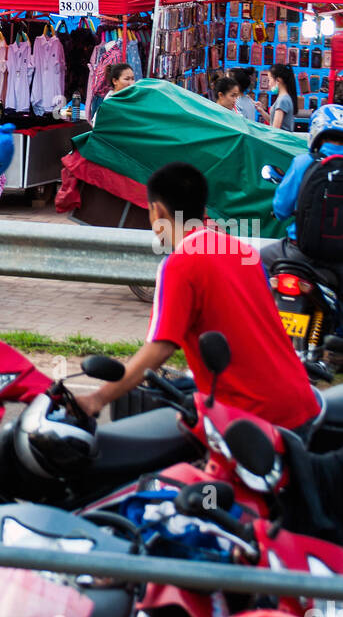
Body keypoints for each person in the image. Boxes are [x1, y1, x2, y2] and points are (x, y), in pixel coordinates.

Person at [74, 162, 320, 433]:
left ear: (157, 212)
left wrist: (98, 397)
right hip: (301, 402)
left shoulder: (180, 263)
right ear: (203, 209)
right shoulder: (242, 251)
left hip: (252, 421)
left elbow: (160, 349)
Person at [261, 103, 343, 273]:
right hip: (338, 260)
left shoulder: (303, 162)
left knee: (258, 260)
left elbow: (281, 209)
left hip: (299, 252)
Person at [269, 63, 299, 131]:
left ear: (278, 80)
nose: (269, 84)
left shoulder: (282, 100)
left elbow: (275, 129)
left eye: (270, 79)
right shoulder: (285, 98)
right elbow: (274, 122)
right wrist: (261, 110)